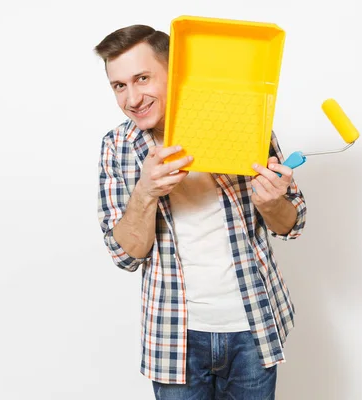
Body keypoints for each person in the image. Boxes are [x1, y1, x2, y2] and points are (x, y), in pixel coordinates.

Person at [94, 24, 307, 400]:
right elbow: (126, 255)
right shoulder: (118, 147)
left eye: (143, 78)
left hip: (252, 328)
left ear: (175, 72)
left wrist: (273, 202)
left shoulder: (242, 125)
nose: (132, 97)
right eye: (120, 85)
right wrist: (146, 191)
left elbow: (291, 225)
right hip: (174, 336)